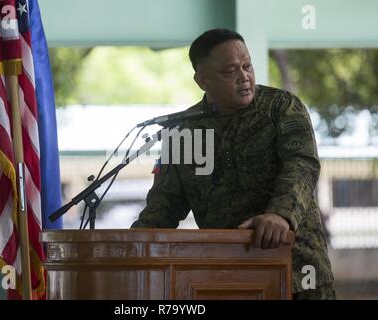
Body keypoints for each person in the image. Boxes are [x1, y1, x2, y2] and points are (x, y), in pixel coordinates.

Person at [131, 28, 335, 300]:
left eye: (247, 66)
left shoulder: (281, 108)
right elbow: (164, 205)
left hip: (298, 271)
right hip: (230, 278)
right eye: (230, 71)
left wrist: (280, 215)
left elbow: (302, 165)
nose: (244, 77)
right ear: (202, 80)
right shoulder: (184, 131)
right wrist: (129, 248)